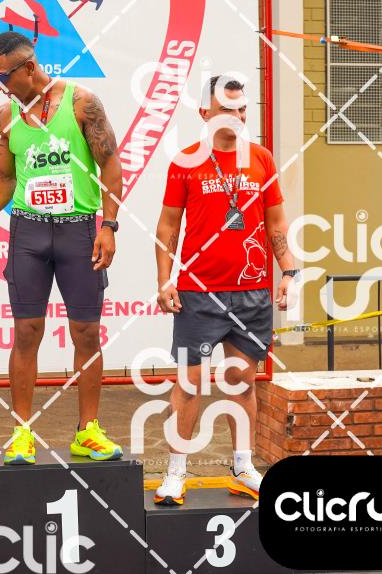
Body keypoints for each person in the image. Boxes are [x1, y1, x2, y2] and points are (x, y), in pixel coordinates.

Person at [0, 32, 124, 465]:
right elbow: (5, 176)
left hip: (78, 230)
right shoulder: (4, 116)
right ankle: (22, 433)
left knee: (86, 332)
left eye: (1, 77)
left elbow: (110, 164)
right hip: (29, 232)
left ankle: (88, 431)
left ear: (29, 67)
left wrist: (109, 225)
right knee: (26, 331)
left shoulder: (82, 104)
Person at [153, 76, 296, 505]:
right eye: (226, 109)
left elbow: (275, 222)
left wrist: (288, 271)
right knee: (190, 382)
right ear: (204, 113)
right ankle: (176, 471)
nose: (236, 116)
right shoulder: (185, 161)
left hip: (251, 293)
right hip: (199, 292)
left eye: (242, 109)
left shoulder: (262, 159)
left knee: (241, 381)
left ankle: (242, 467)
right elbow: (168, 225)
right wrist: (164, 279)